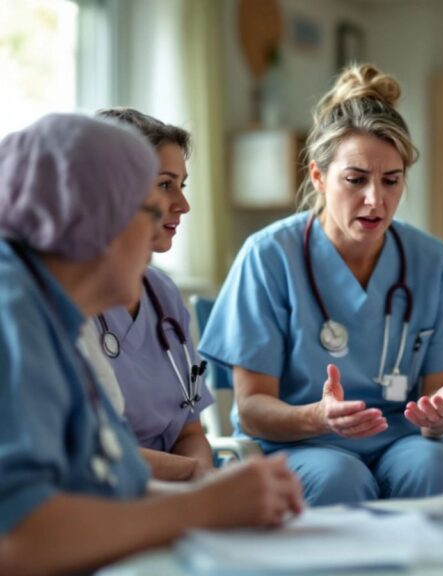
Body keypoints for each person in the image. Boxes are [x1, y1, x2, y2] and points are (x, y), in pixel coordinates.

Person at [0, 114, 302, 575]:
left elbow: (106, 478)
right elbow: (16, 538)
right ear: (98, 217)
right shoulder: (12, 312)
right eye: (151, 209)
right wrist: (201, 506)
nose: (165, 220)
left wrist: (225, 497)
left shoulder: (55, 315)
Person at [199, 64, 443, 505]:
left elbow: (442, 401)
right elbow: (253, 409)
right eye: (356, 180)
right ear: (318, 177)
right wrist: (319, 417)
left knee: (439, 466)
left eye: (392, 180)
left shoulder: (430, 261)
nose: (376, 199)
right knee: (339, 478)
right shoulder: (269, 256)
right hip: (302, 444)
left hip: (401, 442)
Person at [84, 107, 214, 482]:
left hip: (175, 491)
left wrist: (201, 488)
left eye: (182, 185)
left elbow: (191, 432)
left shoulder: (163, 293)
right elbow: (93, 449)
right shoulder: (64, 299)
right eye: (164, 185)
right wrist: (199, 480)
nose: (183, 205)